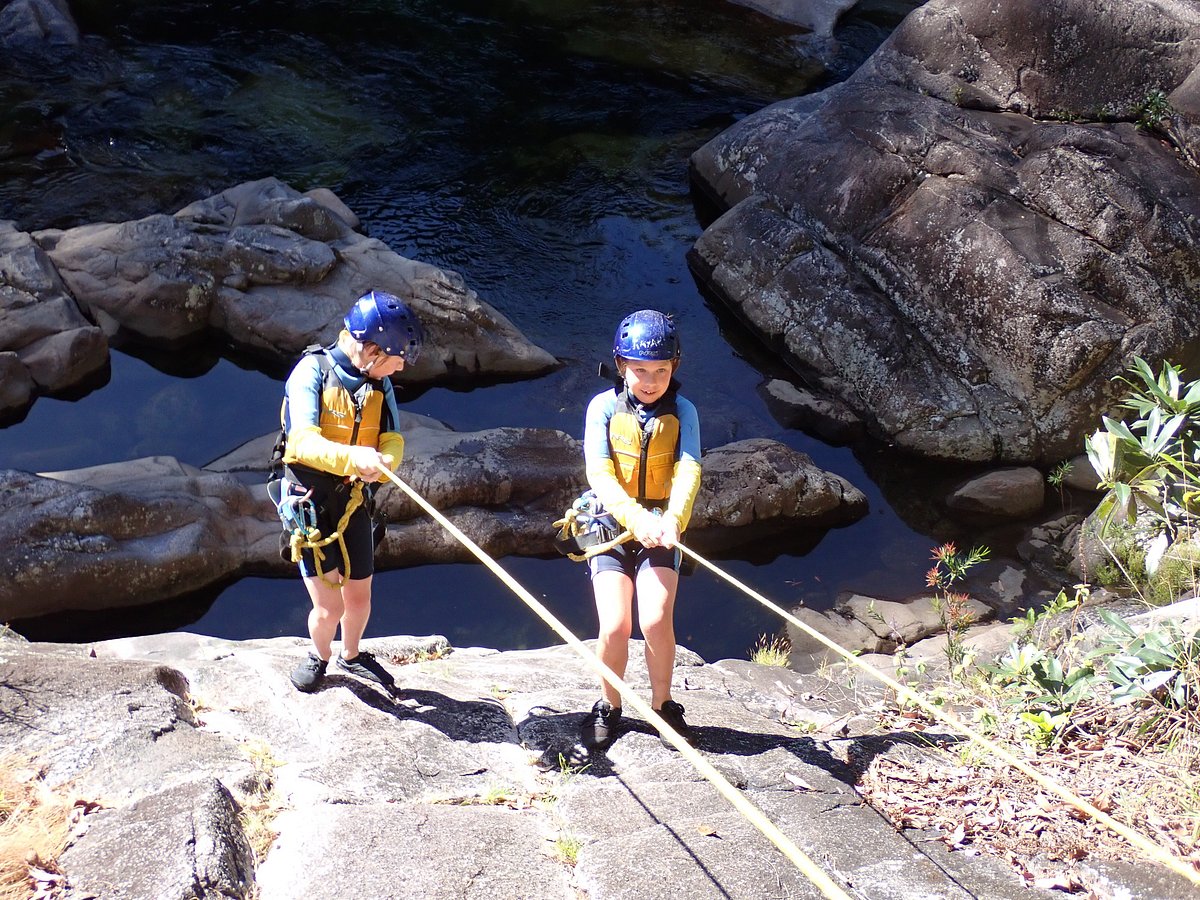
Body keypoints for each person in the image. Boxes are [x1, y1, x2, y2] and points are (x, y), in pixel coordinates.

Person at [277, 290, 423, 693]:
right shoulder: (311, 373)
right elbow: (301, 443)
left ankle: (352, 654)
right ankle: (319, 655)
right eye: (398, 358)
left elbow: (392, 436)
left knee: (359, 595)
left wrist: (387, 461)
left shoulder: (380, 384)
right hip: (311, 501)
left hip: (355, 498)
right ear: (374, 350)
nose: (401, 368)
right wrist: (354, 457)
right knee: (330, 606)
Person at [578, 309, 702, 750]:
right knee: (613, 626)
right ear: (621, 366)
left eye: (661, 371)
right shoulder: (603, 408)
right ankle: (609, 705)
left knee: (654, 619)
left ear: (674, 368)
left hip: (660, 528)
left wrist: (672, 519)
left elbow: (688, 470)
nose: (650, 381)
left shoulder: (684, 411)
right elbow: (600, 473)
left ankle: (663, 704)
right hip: (611, 525)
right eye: (640, 371)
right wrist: (637, 519)